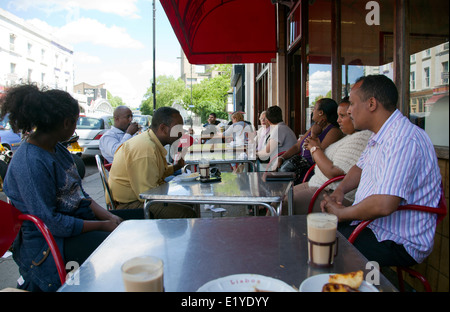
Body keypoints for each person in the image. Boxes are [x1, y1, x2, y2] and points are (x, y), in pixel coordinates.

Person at [0, 84, 142, 292]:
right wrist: (103, 225)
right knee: (125, 245)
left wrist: (108, 217)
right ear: (66, 122)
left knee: (146, 219)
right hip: (50, 242)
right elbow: (53, 223)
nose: (75, 129)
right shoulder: (30, 162)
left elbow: (80, 195)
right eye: (75, 122)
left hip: (78, 222)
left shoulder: (57, 148)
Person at [320, 75, 442, 267]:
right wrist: (340, 191)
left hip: (400, 239)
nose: (349, 110)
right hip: (372, 225)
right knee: (318, 231)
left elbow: (384, 205)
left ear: (371, 103)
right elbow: (360, 167)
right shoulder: (380, 134)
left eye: (352, 104)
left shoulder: (403, 139)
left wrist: (342, 214)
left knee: (326, 246)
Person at [284, 97, 372, 214]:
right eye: (338, 116)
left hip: (329, 189)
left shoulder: (360, 137)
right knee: (280, 199)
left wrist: (315, 148)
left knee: (284, 205)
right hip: (318, 183)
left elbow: (333, 172)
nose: (338, 120)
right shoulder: (349, 137)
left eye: (343, 116)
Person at [108, 107, 196, 218]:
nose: (182, 132)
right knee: (186, 213)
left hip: (138, 199)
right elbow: (147, 194)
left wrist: (176, 167)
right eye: (178, 128)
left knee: (188, 200)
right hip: (129, 205)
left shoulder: (151, 142)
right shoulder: (146, 149)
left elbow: (156, 174)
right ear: (163, 128)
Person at [275, 98, 343, 181]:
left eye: (314, 109)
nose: (312, 111)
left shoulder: (334, 131)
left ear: (321, 112)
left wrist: (314, 135)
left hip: (309, 172)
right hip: (298, 167)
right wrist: (282, 158)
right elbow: (297, 146)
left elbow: (319, 155)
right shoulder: (315, 127)